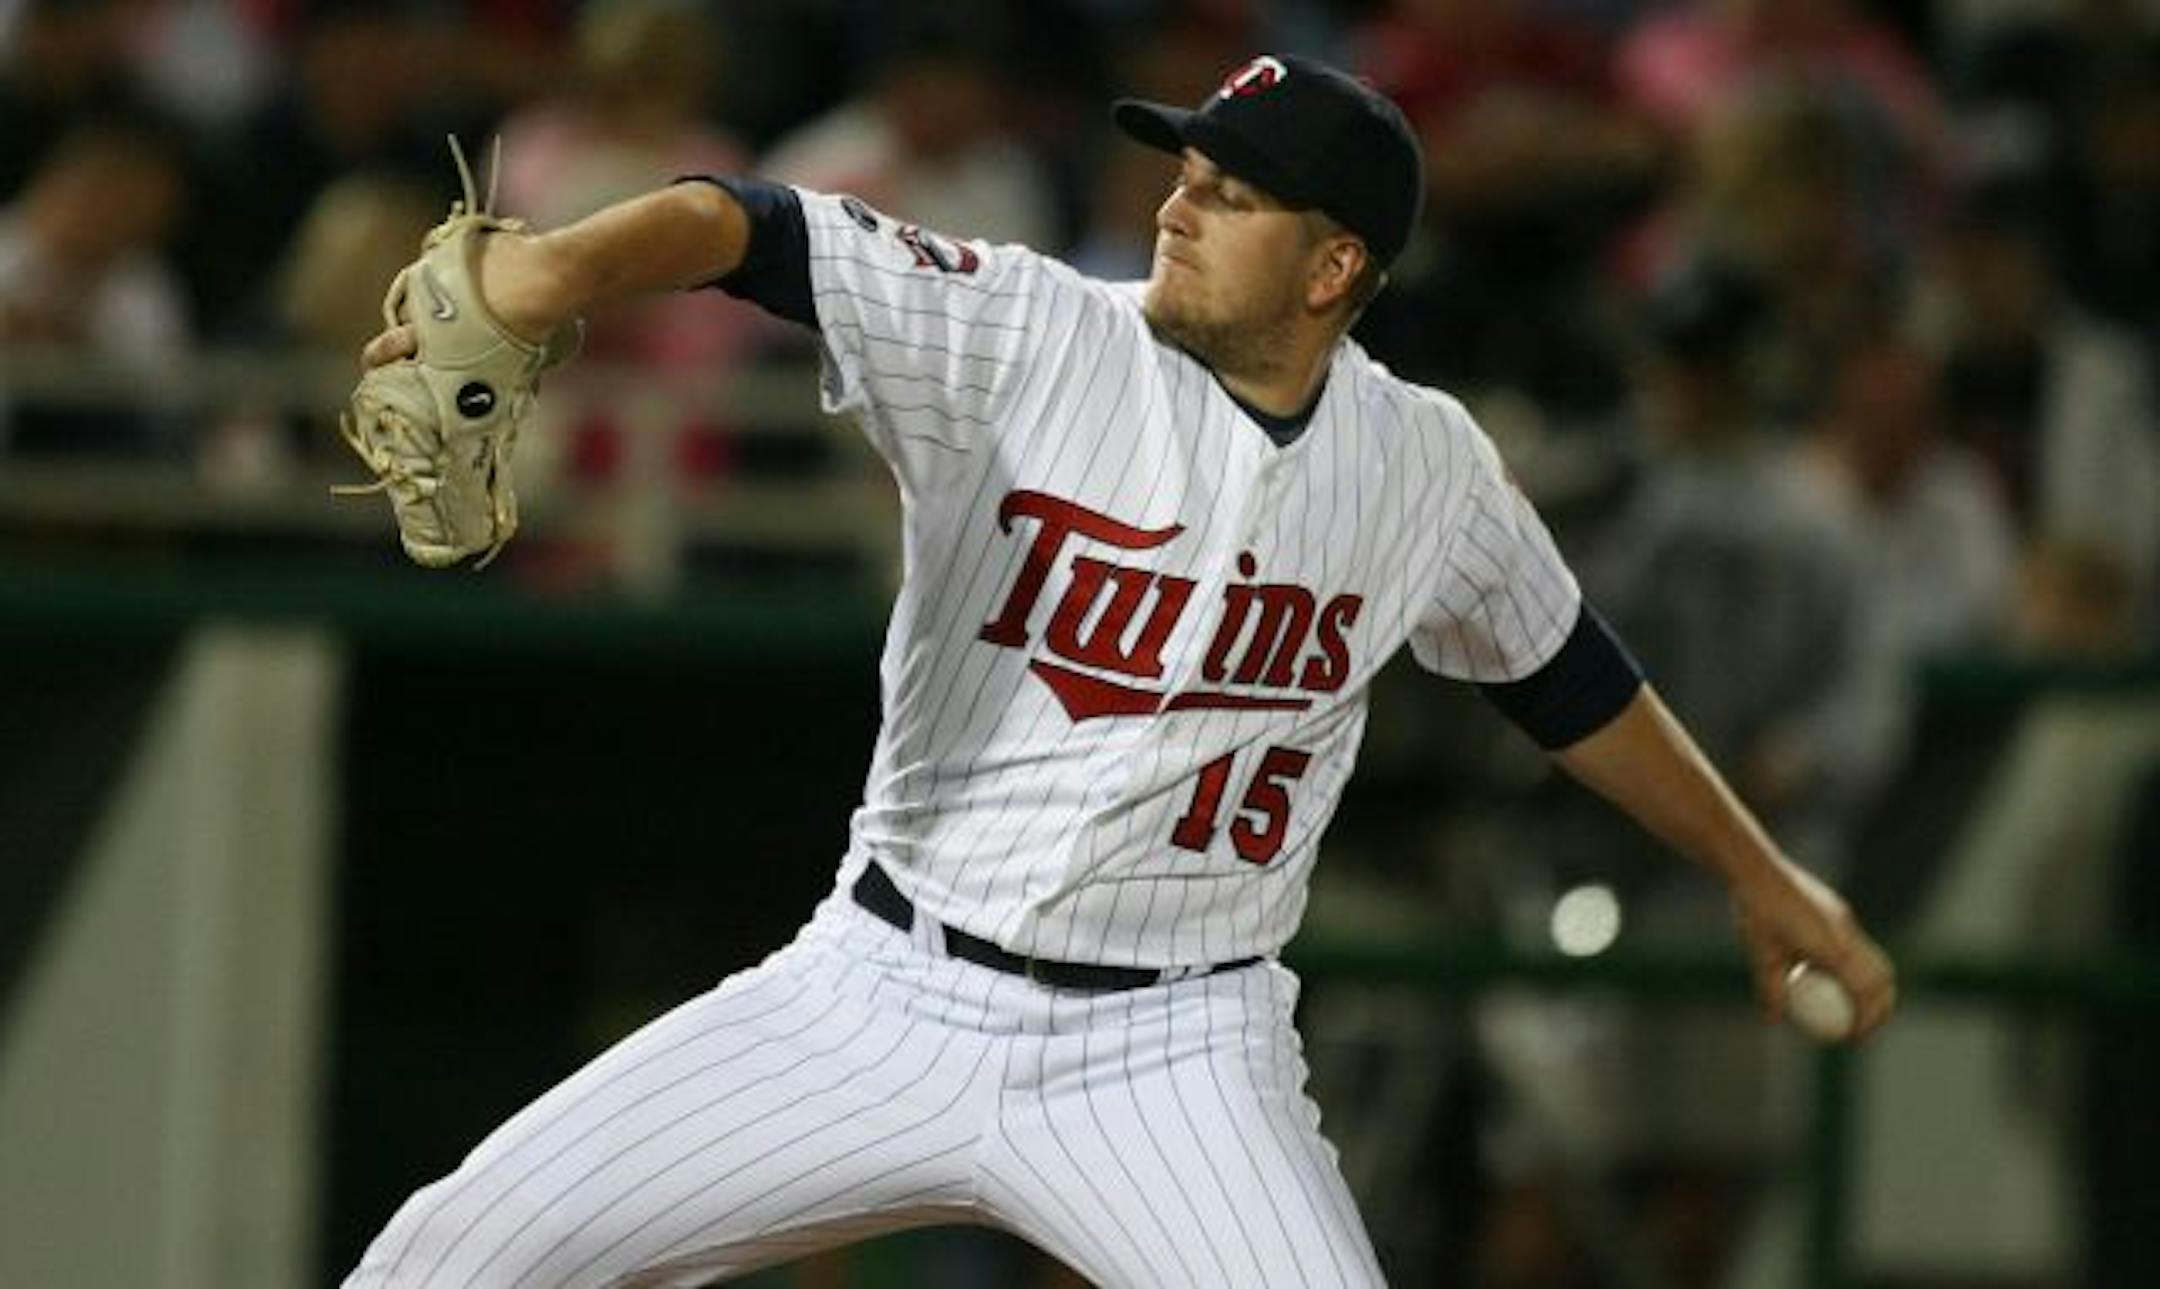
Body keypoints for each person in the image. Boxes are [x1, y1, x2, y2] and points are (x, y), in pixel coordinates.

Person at [342, 54, 1895, 1288]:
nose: (1178, 205)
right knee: (454, 1255)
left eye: (1233, 195)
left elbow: (1567, 679)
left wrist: (1759, 874)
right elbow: (748, 225)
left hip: (1171, 1053)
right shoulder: (1029, 331)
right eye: (1188, 172)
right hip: (879, 989)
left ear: (1332, 265)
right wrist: (546, 275)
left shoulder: (1424, 462)